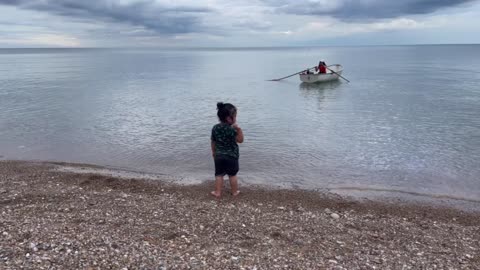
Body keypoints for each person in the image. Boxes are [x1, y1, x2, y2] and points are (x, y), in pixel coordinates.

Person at [210, 102, 244, 198]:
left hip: (219, 155)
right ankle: (234, 192)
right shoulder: (233, 129)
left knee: (219, 175)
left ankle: (217, 192)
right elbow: (240, 140)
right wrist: (239, 130)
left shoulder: (215, 128)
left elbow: (213, 141)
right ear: (229, 118)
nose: (236, 118)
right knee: (232, 175)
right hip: (232, 156)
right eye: (235, 116)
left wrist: (213, 152)